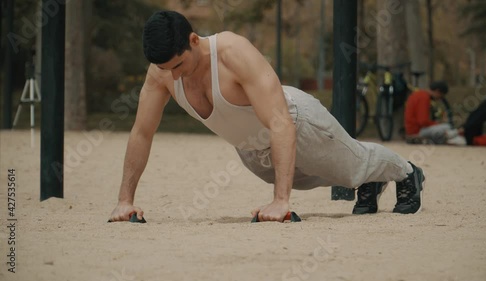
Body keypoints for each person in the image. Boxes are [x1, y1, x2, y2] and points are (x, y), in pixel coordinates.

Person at [108, 10, 425, 223]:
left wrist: (280, 201)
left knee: (353, 163)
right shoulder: (161, 73)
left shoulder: (232, 52)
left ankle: (408, 172)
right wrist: (125, 200)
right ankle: (367, 180)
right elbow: (141, 133)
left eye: (178, 65)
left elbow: (279, 122)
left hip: (296, 123)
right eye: (166, 69)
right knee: (335, 172)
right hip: (252, 149)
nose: (173, 76)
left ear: (193, 40)